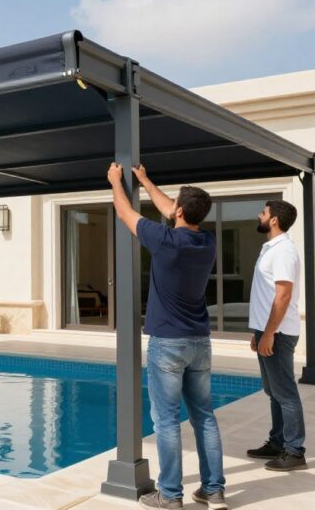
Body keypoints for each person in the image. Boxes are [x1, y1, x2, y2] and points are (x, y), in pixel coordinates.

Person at [107, 163, 227, 510]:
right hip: (199, 342)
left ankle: (171, 495)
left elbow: (124, 212)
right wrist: (144, 180)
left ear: (179, 211)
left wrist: (116, 182)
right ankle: (214, 491)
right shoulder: (207, 241)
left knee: (167, 421)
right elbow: (170, 209)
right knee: (204, 416)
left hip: (168, 344)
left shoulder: (164, 240)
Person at [246, 200, 308, 471]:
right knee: (274, 391)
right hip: (268, 330)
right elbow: (267, 294)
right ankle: (278, 442)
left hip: (279, 332)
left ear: (273, 220)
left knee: (285, 392)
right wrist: (259, 332)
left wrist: (269, 332)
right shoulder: (272, 248)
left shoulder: (283, 251)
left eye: (263, 212)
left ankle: (295, 451)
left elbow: (283, 295)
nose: (258, 215)